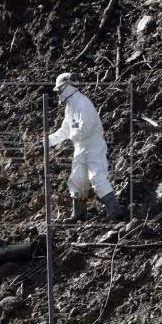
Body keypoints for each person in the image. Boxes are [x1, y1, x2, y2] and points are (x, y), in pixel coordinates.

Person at [48, 73, 124, 223]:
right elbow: (65, 130)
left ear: (67, 87)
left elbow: (86, 127)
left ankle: (115, 211)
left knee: (97, 177)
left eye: (60, 89)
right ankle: (79, 214)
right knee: (77, 180)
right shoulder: (70, 107)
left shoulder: (84, 103)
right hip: (80, 147)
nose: (59, 93)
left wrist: (72, 139)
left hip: (93, 145)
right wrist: (47, 141)